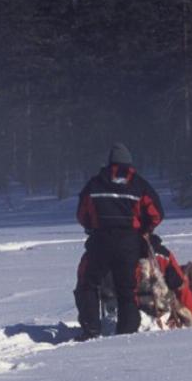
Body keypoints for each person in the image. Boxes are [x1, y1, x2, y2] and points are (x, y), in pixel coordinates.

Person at [73, 143, 165, 339]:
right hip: (129, 242)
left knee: (88, 284)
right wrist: (145, 230)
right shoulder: (139, 185)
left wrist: (91, 226)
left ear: (109, 162)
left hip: (101, 240)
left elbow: (82, 213)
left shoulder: (95, 183)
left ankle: (91, 329)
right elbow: (156, 214)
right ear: (129, 162)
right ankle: (127, 332)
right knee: (127, 289)